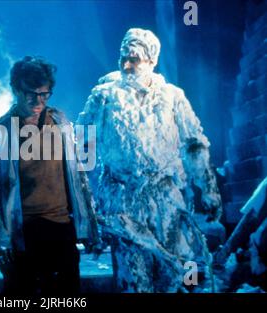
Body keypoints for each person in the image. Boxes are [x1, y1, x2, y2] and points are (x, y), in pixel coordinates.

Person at [77, 28, 222, 292]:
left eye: (135, 59)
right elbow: (83, 142)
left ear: (152, 61)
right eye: (123, 57)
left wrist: (209, 188)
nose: (127, 65)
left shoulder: (172, 96)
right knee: (134, 277)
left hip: (165, 198)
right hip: (122, 201)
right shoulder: (104, 96)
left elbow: (193, 143)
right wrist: (85, 198)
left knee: (172, 275)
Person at [0, 56, 100, 294]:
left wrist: (86, 226)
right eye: (31, 93)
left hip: (60, 228)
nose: (38, 100)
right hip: (22, 233)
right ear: (15, 89)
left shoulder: (61, 124)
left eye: (44, 94)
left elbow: (78, 178)